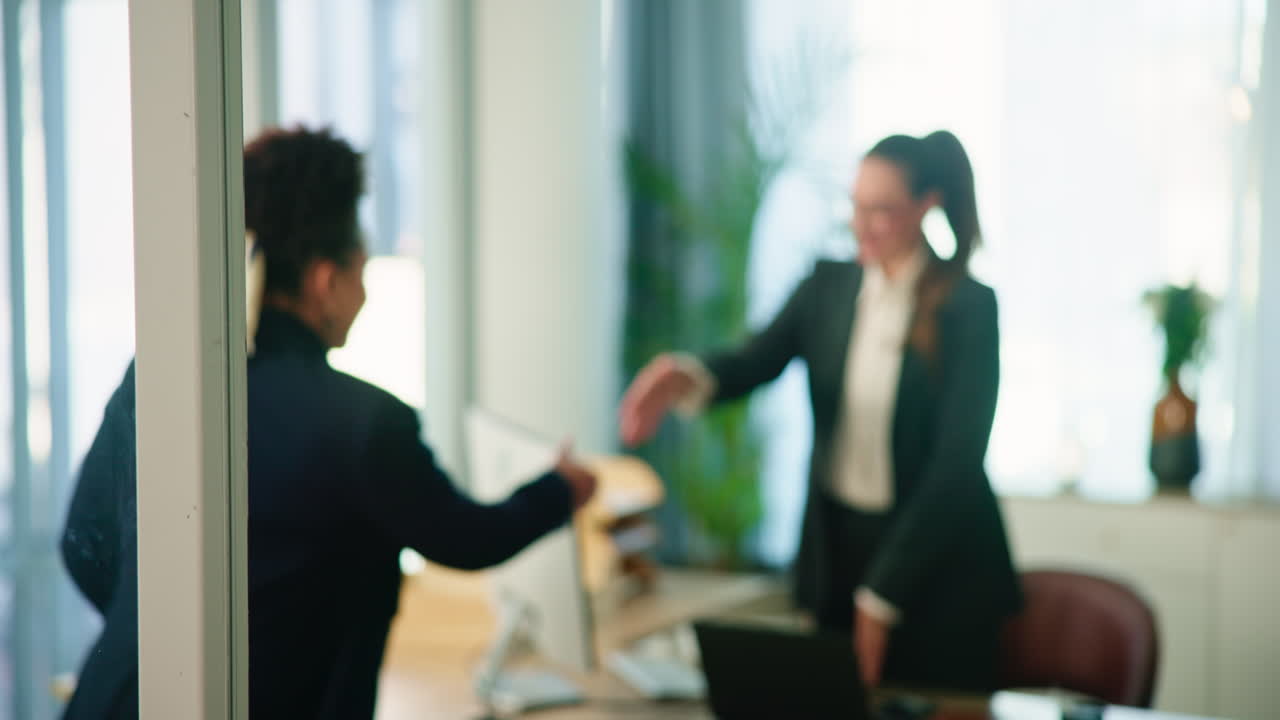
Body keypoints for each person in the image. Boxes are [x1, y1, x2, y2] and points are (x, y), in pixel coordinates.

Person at [59, 126, 597, 720]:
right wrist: (562, 488)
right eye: (360, 272)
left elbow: (84, 547)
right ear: (325, 280)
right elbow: (467, 537)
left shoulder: (160, 377)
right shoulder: (361, 425)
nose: (363, 294)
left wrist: (173, 641)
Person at [619, 130, 1021, 692]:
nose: (862, 225)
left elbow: (955, 468)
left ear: (925, 206)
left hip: (940, 565)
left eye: (880, 211)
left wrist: (883, 597)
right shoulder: (828, 287)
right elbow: (753, 360)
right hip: (841, 556)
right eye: (856, 207)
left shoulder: (969, 307)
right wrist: (682, 377)